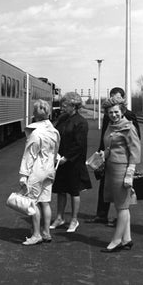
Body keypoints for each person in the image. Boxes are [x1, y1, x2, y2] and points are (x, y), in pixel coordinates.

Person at [87, 87, 141, 226]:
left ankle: (120, 226)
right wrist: (101, 153)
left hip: (121, 162)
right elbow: (106, 135)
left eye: (116, 97)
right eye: (111, 97)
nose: (113, 100)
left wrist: (130, 167)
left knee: (121, 197)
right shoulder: (108, 115)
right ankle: (102, 215)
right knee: (105, 188)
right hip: (108, 157)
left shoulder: (128, 117)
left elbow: (134, 142)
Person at [99, 96, 141, 252]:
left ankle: (116, 240)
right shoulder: (111, 126)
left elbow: (135, 152)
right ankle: (127, 239)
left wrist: (130, 173)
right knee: (120, 205)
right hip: (111, 168)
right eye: (110, 112)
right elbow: (109, 145)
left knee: (122, 206)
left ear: (122, 110)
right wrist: (103, 155)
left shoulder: (128, 128)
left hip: (122, 169)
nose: (113, 115)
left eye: (116, 112)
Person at [18, 100, 60, 245]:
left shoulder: (36, 133)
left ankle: (36, 235)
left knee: (32, 202)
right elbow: (55, 152)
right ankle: (46, 232)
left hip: (37, 170)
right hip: (49, 169)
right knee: (45, 202)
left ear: (35, 114)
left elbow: (29, 156)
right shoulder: (54, 131)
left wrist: (23, 175)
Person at [50, 92, 91, 233]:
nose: (62, 107)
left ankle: (74, 219)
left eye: (65, 105)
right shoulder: (62, 119)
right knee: (60, 190)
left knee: (74, 191)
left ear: (74, 106)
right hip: (60, 160)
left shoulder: (81, 122)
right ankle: (60, 217)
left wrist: (66, 158)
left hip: (73, 162)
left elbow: (79, 145)